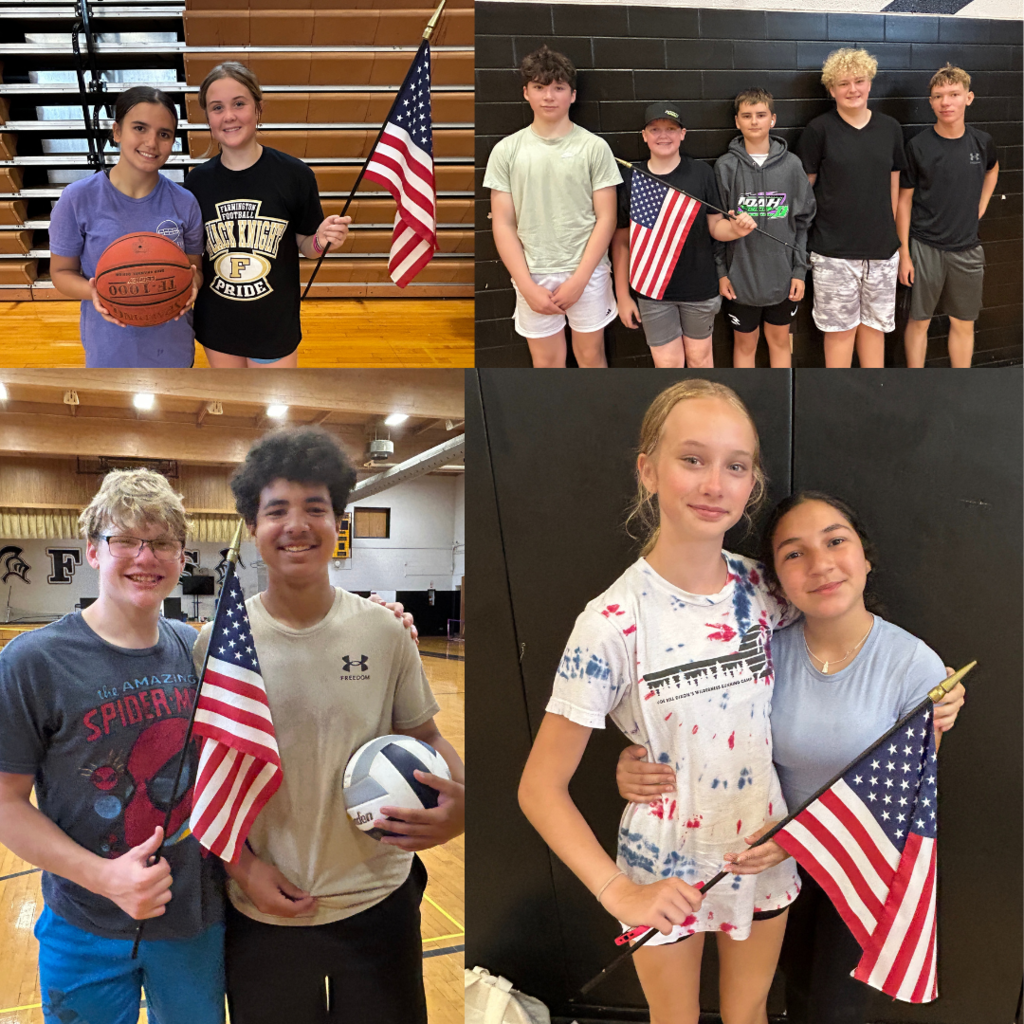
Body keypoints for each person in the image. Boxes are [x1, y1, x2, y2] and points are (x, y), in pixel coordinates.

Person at [617, 491, 965, 1024]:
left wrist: (795, 839)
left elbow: (901, 804)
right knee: (757, 1001)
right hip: (763, 863)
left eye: (835, 541)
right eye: (794, 553)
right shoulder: (762, 650)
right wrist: (635, 761)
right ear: (775, 579)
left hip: (852, 865)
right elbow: (706, 731)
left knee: (827, 1008)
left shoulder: (916, 666)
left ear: (866, 557)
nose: (821, 564)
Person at [519, 380, 805, 1024]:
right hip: (662, 866)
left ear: (751, 484)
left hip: (765, 850)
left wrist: (925, 693)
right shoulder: (611, 623)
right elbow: (539, 787)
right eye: (693, 459)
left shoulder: (766, 589)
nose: (714, 484)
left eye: (735, 467)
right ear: (648, 470)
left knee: (749, 1012)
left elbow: (841, 653)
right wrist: (620, 892)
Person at [196, 426, 465, 1024]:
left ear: (338, 521)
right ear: (252, 528)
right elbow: (205, 774)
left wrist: (464, 805)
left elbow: (425, 740)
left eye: (315, 508)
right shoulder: (216, 647)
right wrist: (243, 867)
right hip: (263, 907)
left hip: (378, 903)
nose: (297, 524)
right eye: (277, 510)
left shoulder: (384, 630)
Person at [0, 470, 226, 1024]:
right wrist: (104, 877)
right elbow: (4, 803)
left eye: (164, 542)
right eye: (125, 539)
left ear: (180, 558)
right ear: (93, 551)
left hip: (193, 921)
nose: (145, 557)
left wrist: (380, 622)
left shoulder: (193, 649)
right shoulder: (33, 662)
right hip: (85, 924)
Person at [183, 63, 351, 367]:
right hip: (217, 325)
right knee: (233, 407)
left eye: (239, 103)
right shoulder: (196, 183)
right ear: (207, 117)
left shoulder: (295, 175)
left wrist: (322, 240)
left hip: (275, 327)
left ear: (258, 109)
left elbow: (307, 248)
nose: (229, 115)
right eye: (217, 107)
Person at [484, 45, 621, 368]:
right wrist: (527, 285)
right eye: (540, 87)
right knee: (546, 363)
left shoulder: (594, 147)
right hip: (533, 273)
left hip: (587, 273)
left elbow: (607, 217)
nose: (549, 96)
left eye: (558, 87)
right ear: (526, 93)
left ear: (572, 95)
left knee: (590, 356)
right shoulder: (506, 150)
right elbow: (503, 223)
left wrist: (579, 279)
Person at [49, 87, 203, 368]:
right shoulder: (77, 198)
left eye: (164, 134)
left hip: (172, 346)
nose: (152, 142)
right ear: (117, 131)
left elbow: (195, 270)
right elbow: (60, 273)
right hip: (109, 349)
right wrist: (95, 292)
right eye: (140, 128)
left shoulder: (185, 202)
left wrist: (192, 284)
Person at [612, 104, 758, 368]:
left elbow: (716, 227)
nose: (663, 135)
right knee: (667, 364)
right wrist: (622, 296)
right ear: (644, 135)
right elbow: (622, 242)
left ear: (683, 134)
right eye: (655, 129)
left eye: (671, 129)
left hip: (699, 289)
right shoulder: (632, 178)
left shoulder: (701, 173)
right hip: (652, 291)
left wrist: (736, 229)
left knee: (700, 359)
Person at [795, 49, 908, 368]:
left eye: (859, 81)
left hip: (881, 251)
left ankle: (870, 405)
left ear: (870, 83)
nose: (852, 89)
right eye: (843, 83)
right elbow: (805, 190)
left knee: (874, 331)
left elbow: (894, 184)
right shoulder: (819, 130)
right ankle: (838, 404)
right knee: (839, 333)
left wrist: (891, 233)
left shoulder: (890, 128)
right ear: (831, 90)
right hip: (833, 252)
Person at [897, 65, 999, 368]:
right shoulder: (918, 146)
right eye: (938, 96)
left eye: (954, 94)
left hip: (967, 248)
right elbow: (903, 202)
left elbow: (993, 170)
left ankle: (961, 381)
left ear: (968, 98)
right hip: (925, 247)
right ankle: (916, 383)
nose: (946, 102)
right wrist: (904, 253)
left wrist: (982, 204)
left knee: (963, 323)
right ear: (930, 102)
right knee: (919, 322)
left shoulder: (982, 142)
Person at [714, 89, 816, 368]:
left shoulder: (792, 165)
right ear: (737, 121)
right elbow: (714, 225)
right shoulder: (725, 167)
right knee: (745, 345)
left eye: (761, 115)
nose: (754, 122)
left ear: (773, 119)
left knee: (780, 342)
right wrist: (722, 273)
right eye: (747, 116)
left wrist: (799, 271)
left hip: (782, 280)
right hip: (740, 280)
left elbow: (802, 224)